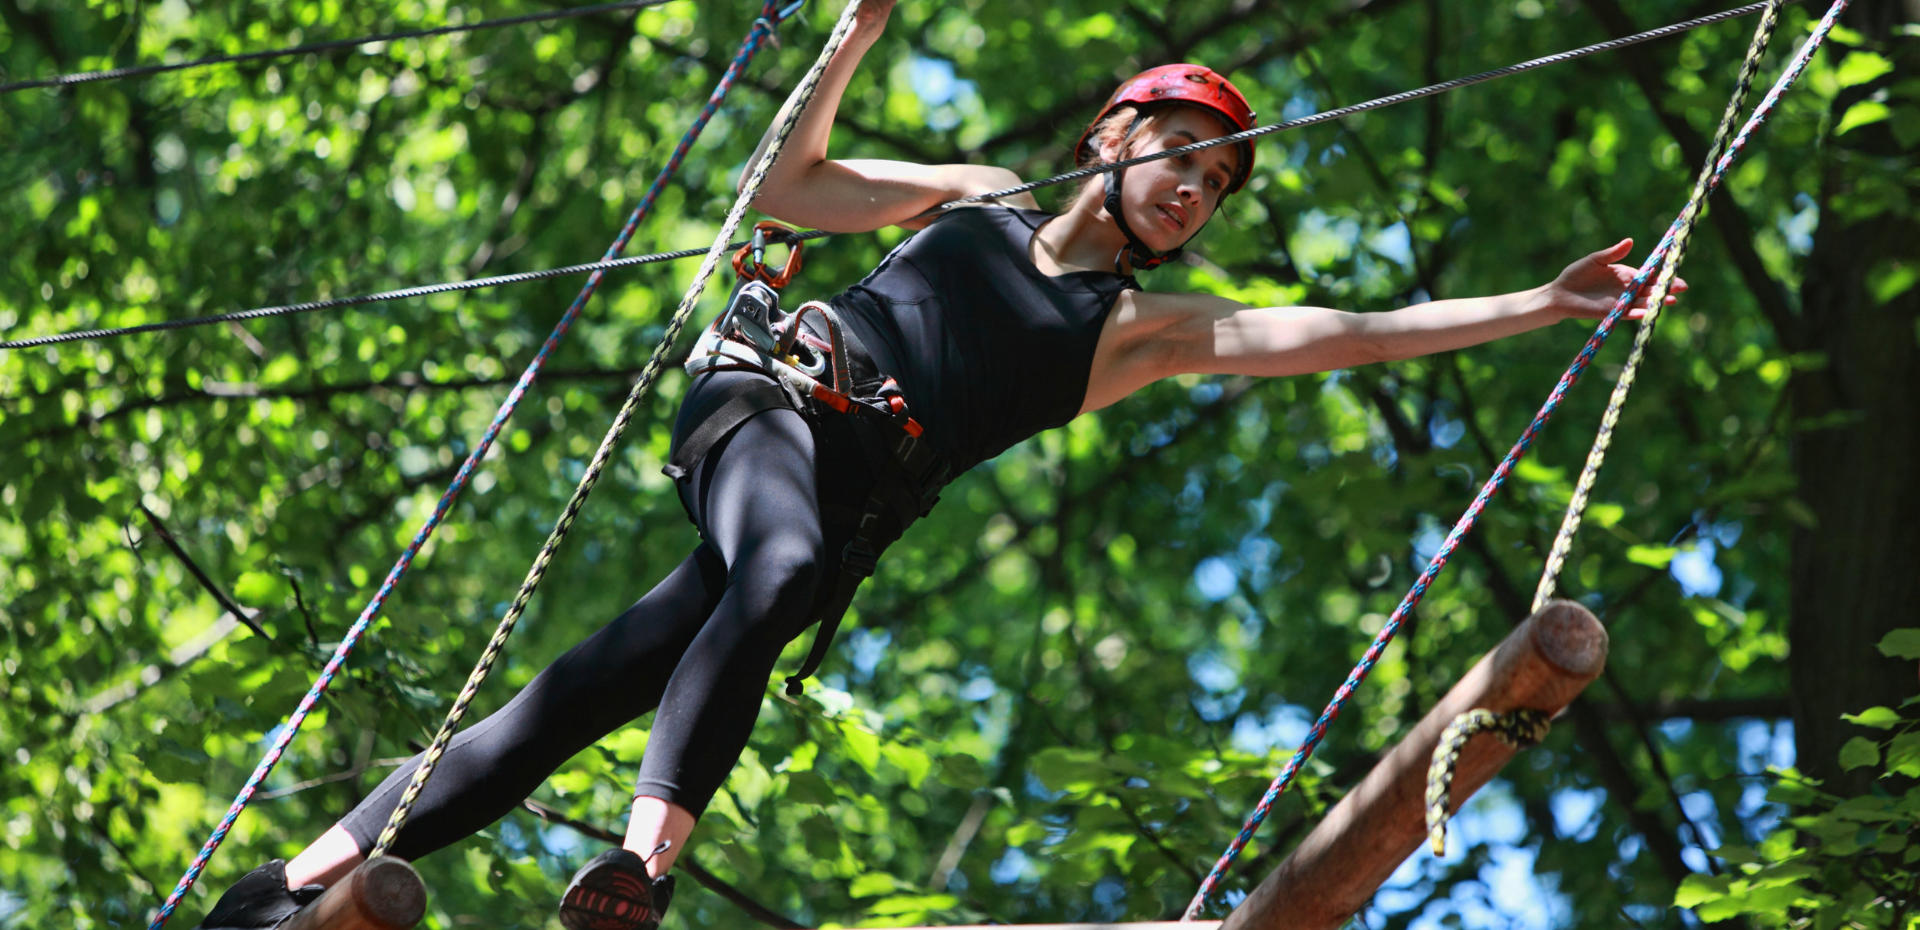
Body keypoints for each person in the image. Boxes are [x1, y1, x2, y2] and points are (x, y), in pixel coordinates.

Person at [194, 2, 1683, 928]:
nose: (1193, 190)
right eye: (1180, 151)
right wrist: (851, 45)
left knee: (562, 707)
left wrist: (1541, 305)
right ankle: (645, 866)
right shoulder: (978, 195)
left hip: (832, 509)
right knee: (766, 571)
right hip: (756, 405)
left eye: (1218, 184)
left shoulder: (1137, 334)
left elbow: (1349, 326)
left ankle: (284, 893)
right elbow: (785, 188)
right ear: (1114, 132)